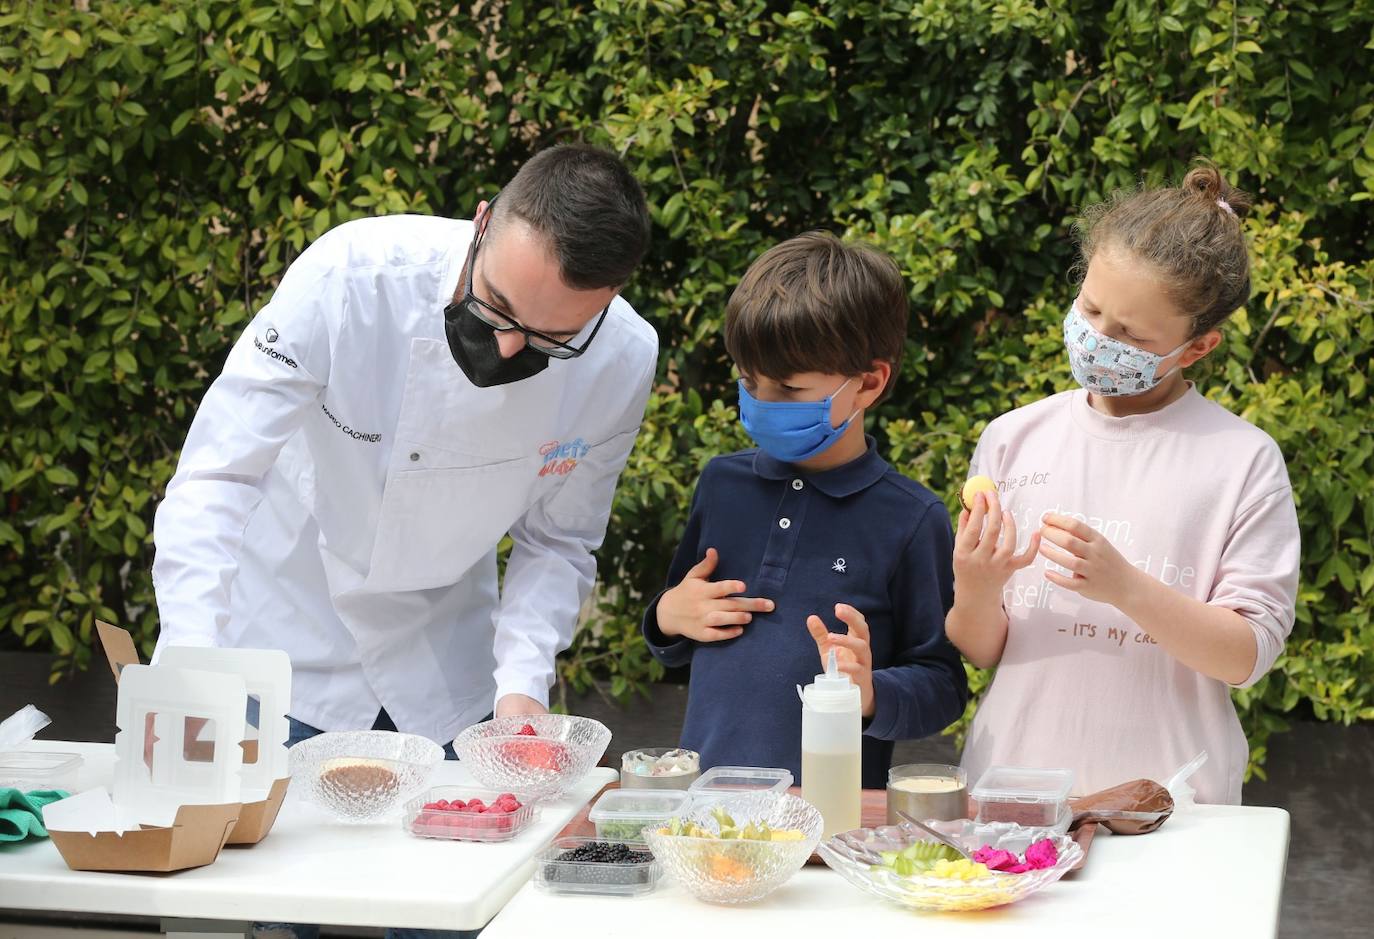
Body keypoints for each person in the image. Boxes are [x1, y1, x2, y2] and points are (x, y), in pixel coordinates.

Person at [152, 143, 657, 751]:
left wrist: (522, 686)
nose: (505, 348)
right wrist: (188, 659)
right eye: (495, 306)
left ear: (608, 299)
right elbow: (218, 475)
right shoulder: (350, 278)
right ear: (481, 223)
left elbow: (557, 539)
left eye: (551, 339)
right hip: (278, 652)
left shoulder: (623, 358)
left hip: (444, 680)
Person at [950, 163, 1299, 804]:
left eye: (1133, 334)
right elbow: (982, 649)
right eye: (1090, 310)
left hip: (1174, 807)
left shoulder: (1242, 460)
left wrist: (1127, 588)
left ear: (1196, 347)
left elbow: (1246, 657)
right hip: (1010, 797)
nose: (1098, 339)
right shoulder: (1012, 438)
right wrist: (976, 589)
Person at [641, 232, 968, 789]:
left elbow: (942, 683)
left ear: (868, 383)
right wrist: (668, 616)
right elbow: (676, 631)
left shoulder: (911, 519)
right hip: (705, 811)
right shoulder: (722, 484)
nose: (763, 401)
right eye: (749, 382)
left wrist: (871, 693)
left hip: (832, 826)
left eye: (789, 389)